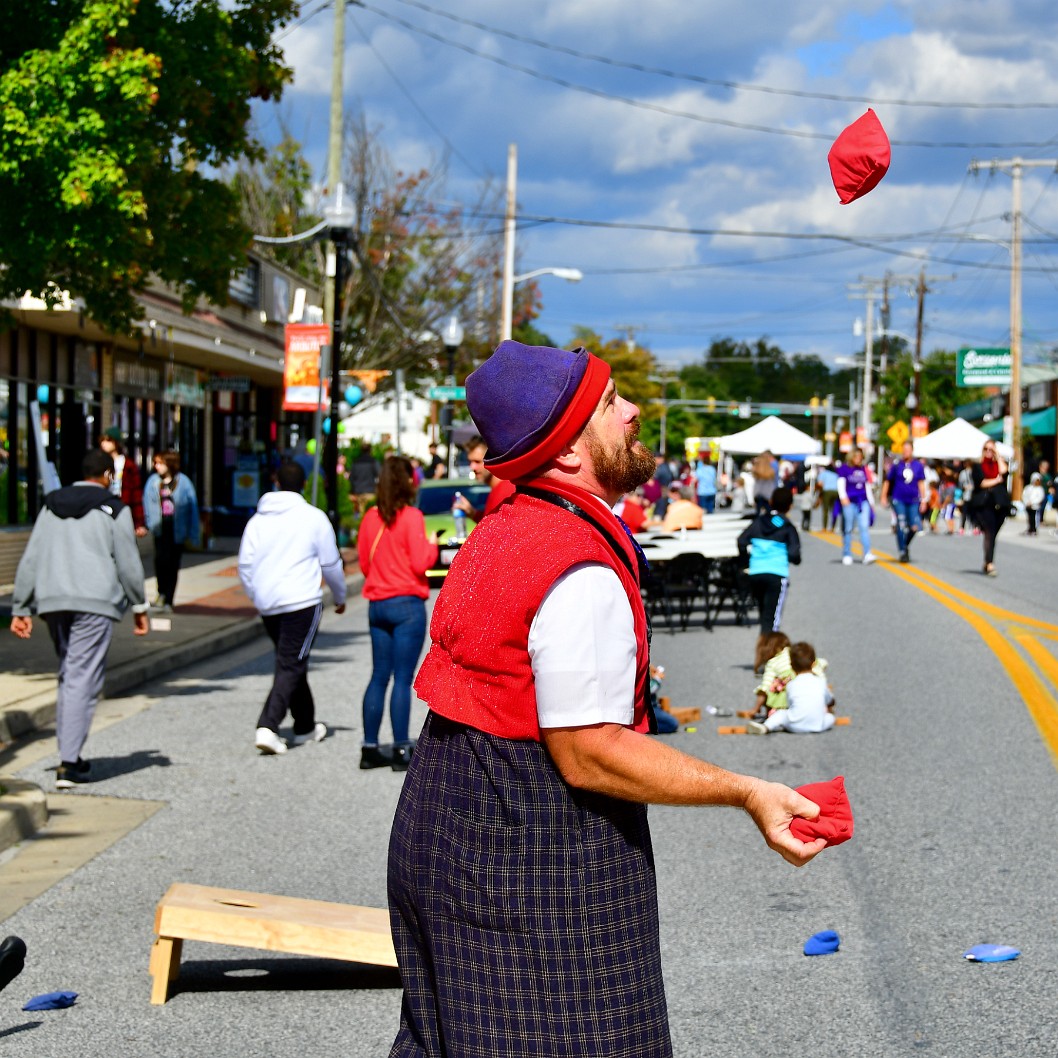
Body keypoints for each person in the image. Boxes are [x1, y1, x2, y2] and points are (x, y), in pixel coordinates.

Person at [387, 340, 825, 1058]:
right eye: (610, 403)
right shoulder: (575, 562)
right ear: (564, 453)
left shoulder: (503, 527)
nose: (632, 411)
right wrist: (749, 792)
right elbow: (590, 752)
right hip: (525, 853)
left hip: (440, 828)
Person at [10, 449, 149, 787]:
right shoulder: (113, 508)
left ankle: (70, 755)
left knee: (69, 674)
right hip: (95, 601)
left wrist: (21, 606)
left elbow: (33, 556)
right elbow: (128, 560)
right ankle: (68, 763)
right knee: (82, 678)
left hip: (53, 600)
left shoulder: (50, 503)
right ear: (106, 475)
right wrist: (140, 605)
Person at [238, 461, 347, 755]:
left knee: (291, 659)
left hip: (268, 602)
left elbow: (245, 564)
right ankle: (268, 725)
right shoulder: (313, 517)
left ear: (275, 482)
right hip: (301, 601)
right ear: (302, 485)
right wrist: (340, 595)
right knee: (291, 662)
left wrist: (256, 594)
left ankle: (305, 726)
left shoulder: (257, 520)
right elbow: (330, 563)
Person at [357, 455, 439, 772]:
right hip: (406, 605)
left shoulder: (370, 518)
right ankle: (402, 747)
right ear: (407, 482)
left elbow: (365, 564)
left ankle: (369, 747)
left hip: (378, 604)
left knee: (379, 675)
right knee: (402, 679)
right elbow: (421, 564)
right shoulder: (412, 517)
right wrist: (432, 546)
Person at [737, 486, 801, 634]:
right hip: (776, 574)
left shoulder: (759, 522)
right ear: (790, 506)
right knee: (772, 622)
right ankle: (769, 654)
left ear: (771, 502)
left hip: (756, 572)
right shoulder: (787, 526)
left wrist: (746, 561)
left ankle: (764, 649)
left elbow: (741, 540)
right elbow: (795, 555)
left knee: (764, 616)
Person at [144, 451, 200, 610]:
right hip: (160, 527)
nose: (157, 466)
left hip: (177, 528)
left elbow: (192, 507)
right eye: (155, 463)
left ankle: (169, 598)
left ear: (169, 464)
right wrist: (148, 523)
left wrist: (193, 532)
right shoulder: (153, 482)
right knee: (160, 561)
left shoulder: (184, 482)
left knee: (173, 563)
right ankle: (161, 593)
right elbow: (147, 504)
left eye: (160, 463)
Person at [748, 642, 835, 735]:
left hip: (794, 726)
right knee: (830, 718)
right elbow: (831, 701)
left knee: (781, 714)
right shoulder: (820, 682)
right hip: (817, 725)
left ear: (792, 665)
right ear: (814, 664)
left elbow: (790, 704)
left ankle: (766, 727)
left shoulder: (791, 684)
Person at [750, 631, 828, 720]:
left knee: (774, 686)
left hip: (787, 698)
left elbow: (764, 688)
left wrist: (755, 709)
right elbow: (821, 662)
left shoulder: (773, 662)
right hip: (812, 687)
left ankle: (773, 716)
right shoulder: (797, 655)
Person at [880, 441, 927, 563]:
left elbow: (921, 483)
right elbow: (888, 481)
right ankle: (901, 551)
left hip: (913, 500)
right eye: (904, 449)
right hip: (898, 498)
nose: (906, 452)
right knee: (901, 524)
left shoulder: (918, 466)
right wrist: (883, 496)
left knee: (915, 526)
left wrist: (924, 500)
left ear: (912, 451)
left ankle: (905, 545)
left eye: (908, 449)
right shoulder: (896, 465)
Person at [453, 435, 516, 521]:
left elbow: (497, 531)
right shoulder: (497, 489)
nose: (472, 467)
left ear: (492, 460)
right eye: (470, 461)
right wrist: (473, 513)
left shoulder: (505, 491)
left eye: (477, 462)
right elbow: (491, 525)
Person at [970, 441, 1010, 576]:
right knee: (989, 532)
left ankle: (987, 561)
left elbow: (1005, 472)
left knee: (993, 534)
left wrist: (998, 457)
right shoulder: (978, 466)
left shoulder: (999, 464)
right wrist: (997, 481)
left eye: (991, 449)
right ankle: (990, 563)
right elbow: (981, 483)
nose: (988, 451)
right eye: (986, 449)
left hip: (1000, 504)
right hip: (984, 504)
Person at [99, 427, 147, 536]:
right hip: (103, 509)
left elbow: (136, 494)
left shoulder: (128, 465)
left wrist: (139, 523)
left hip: (122, 508)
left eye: (108, 440)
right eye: (102, 440)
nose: (104, 444)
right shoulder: (99, 463)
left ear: (116, 443)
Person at [838, 447, 877, 566]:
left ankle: (867, 553)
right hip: (849, 500)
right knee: (848, 528)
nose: (859, 459)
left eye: (860, 457)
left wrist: (871, 503)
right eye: (856, 456)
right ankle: (847, 553)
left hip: (862, 500)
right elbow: (841, 484)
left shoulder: (863, 469)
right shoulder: (845, 469)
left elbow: (867, 486)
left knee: (864, 527)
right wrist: (843, 498)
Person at [348, 443, 380, 512]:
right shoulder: (373, 462)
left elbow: (351, 478)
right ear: (370, 450)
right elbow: (380, 475)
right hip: (370, 492)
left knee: (360, 516)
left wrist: (352, 491)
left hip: (358, 493)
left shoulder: (356, 463)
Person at [750, 450, 777, 515]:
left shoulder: (757, 470)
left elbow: (757, 485)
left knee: (758, 514)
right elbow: (773, 484)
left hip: (759, 494)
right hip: (768, 494)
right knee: (769, 514)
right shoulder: (771, 469)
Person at [818, 461, 840, 531]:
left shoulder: (823, 473)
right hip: (836, 492)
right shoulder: (836, 475)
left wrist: (819, 494)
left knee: (825, 510)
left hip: (827, 492)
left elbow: (820, 484)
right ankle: (833, 527)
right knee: (834, 510)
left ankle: (824, 527)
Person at [695, 449, 718, 513]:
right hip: (712, 491)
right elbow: (714, 479)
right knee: (710, 510)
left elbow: (695, 479)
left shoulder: (700, 470)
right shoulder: (712, 469)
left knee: (702, 511)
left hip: (702, 491)